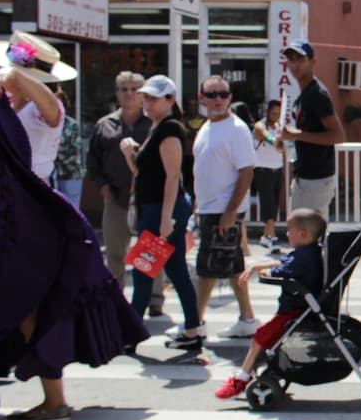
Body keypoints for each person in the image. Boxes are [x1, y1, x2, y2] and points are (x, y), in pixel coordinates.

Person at [0, 32, 147, 420]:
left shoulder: (46, 108)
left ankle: (52, 399)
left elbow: (48, 104)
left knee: (29, 303)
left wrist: (18, 78)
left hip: (30, 216)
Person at [121, 75, 203, 349]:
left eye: (153, 97)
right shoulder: (158, 127)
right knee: (175, 269)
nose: (147, 102)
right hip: (157, 207)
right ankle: (192, 328)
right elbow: (144, 175)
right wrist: (130, 154)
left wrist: (167, 218)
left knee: (145, 270)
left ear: (170, 100)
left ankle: (132, 333)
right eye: (146, 96)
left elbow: (172, 176)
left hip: (162, 209)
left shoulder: (169, 129)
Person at [214, 208, 326, 399]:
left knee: (260, 337)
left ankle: (242, 377)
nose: (287, 233)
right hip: (300, 309)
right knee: (267, 337)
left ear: (303, 234)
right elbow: (282, 263)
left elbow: (279, 272)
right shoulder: (309, 252)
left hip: (294, 312)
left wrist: (263, 273)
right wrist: (257, 267)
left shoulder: (303, 258)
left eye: (290, 230)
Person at [86, 70, 164, 315]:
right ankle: (115, 297)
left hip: (148, 198)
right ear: (117, 93)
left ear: (142, 94)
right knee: (115, 252)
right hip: (116, 197)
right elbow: (93, 161)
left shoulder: (154, 124)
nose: (129, 94)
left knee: (150, 250)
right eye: (123, 89)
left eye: (134, 89)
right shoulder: (105, 124)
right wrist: (102, 185)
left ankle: (155, 298)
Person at [188, 75, 260, 339]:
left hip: (223, 209)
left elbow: (246, 171)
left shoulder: (237, 129)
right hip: (209, 208)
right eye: (212, 94)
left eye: (223, 94)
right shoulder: (206, 127)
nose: (218, 99)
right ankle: (247, 318)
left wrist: (230, 211)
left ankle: (194, 323)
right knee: (232, 268)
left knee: (207, 269)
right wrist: (198, 204)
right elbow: (204, 171)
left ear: (230, 97)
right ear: (202, 97)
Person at [280, 39, 345, 216]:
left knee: (305, 235)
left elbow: (338, 136)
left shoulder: (317, 94)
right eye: (291, 60)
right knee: (305, 234)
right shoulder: (304, 94)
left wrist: (297, 135)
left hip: (316, 179)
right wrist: (288, 142)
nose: (294, 65)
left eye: (300, 59)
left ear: (313, 62)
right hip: (306, 177)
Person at [253, 98, 286, 250]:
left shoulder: (280, 126)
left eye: (278, 113)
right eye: (273, 113)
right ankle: (272, 236)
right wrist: (276, 142)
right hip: (263, 170)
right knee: (268, 203)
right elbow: (267, 137)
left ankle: (266, 235)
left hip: (277, 169)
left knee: (275, 204)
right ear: (267, 112)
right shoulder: (260, 126)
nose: (276, 115)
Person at [51, 86, 83, 204]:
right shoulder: (44, 123)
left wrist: (53, 151)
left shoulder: (71, 125)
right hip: (50, 175)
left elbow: (75, 152)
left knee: (71, 211)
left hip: (70, 176)